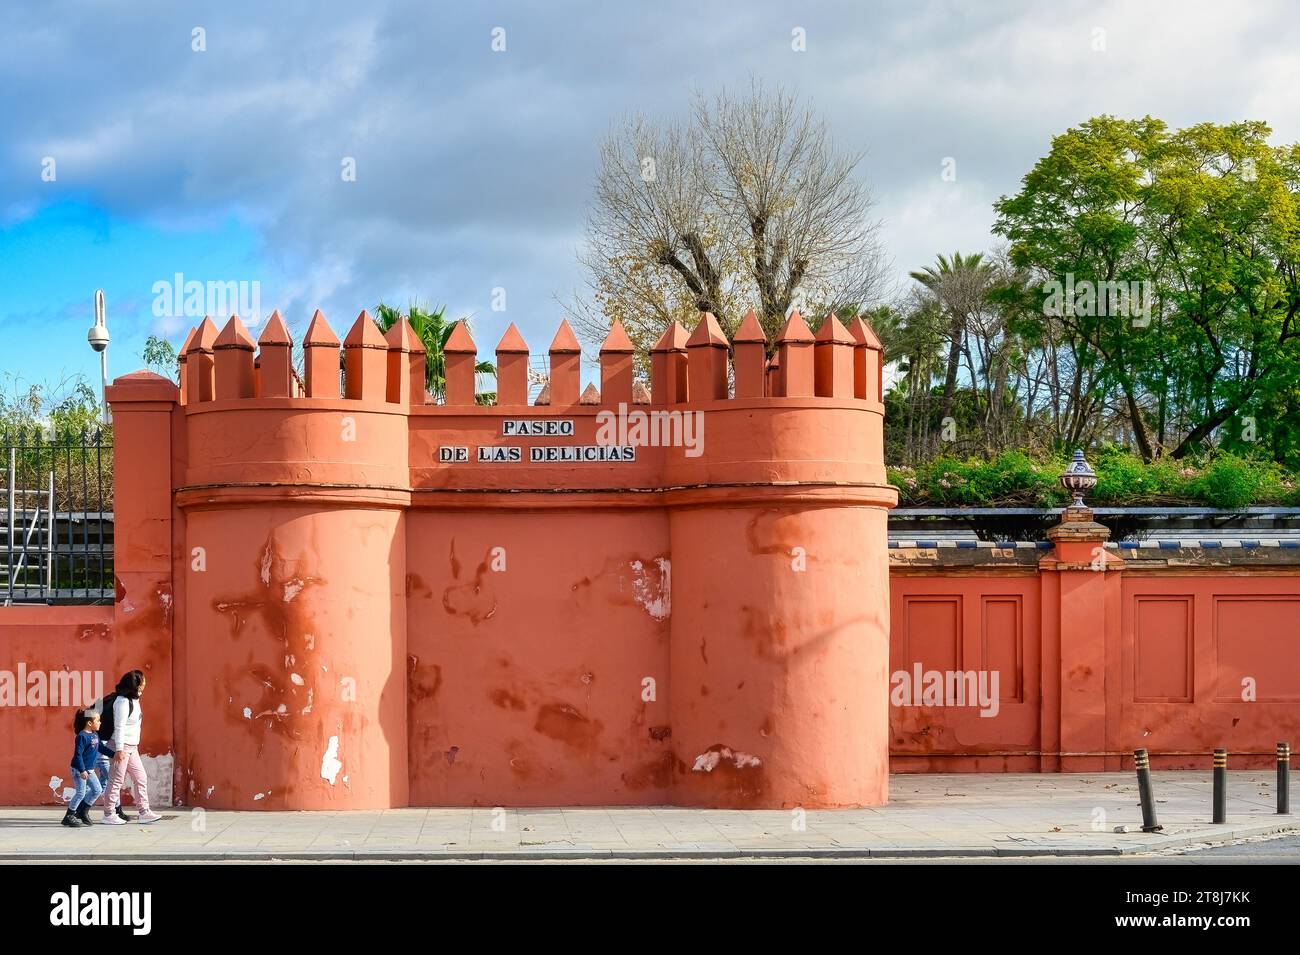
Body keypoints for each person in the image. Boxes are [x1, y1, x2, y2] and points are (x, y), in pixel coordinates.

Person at [101, 670, 162, 826]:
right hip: (119, 746)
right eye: (143, 681)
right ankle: (108, 814)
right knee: (116, 781)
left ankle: (144, 812)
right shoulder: (122, 702)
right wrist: (119, 750)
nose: (145, 682)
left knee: (140, 777)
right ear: (135, 684)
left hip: (132, 747)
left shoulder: (135, 699)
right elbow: (119, 727)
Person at [63, 709, 103, 828]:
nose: (100, 722)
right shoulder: (82, 736)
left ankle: (82, 811)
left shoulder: (95, 735)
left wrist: (114, 754)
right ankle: (69, 816)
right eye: (98, 720)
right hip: (79, 770)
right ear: (89, 723)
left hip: (89, 770)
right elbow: (78, 755)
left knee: (97, 790)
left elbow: (101, 748)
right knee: (80, 793)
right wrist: (82, 770)